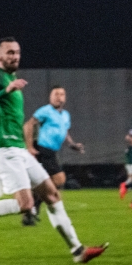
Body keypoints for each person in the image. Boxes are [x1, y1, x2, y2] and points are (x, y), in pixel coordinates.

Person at [0, 38, 107, 264]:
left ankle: (78, 251)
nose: (15, 56)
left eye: (17, 52)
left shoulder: (11, 77)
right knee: (25, 204)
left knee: (52, 194)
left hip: (19, 149)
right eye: (9, 53)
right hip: (5, 149)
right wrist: (5, 90)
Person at [22, 86, 85, 225]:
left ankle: (31, 210)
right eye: (56, 94)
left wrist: (72, 144)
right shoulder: (45, 111)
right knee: (59, 179)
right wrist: (30, 147)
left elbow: (65, 131)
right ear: (50, 97)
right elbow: (28, 125)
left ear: (65, 97)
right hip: (43, 150)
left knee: (48, 183)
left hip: (52, 152)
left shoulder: (66, 115)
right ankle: (32, 208)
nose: (59, 96)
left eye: (62, 94)